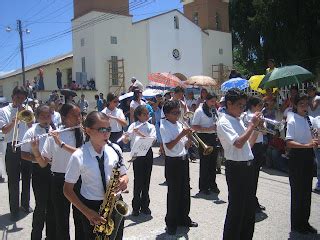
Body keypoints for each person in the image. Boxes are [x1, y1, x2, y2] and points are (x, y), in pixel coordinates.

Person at [63, 111, 129, 240]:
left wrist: (124, 180)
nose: (107, 133)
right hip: (92, 207)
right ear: (88, 130)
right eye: (101, 129)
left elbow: (124, 174)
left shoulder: (115, 149)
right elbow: (67, 190)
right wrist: (87, 212)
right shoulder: (78, 156)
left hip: (115, 204)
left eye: (108, 129)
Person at [31, 103, 84, 240]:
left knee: (80, 219)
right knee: (60, 220)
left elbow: (81, 154)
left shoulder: (83, 134)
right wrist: (36, 150)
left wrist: (60, 143)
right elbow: (43, 163)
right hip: (59, 180)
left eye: (80, 115)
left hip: (79, 179)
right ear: (64, 117)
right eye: (75, 115)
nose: (79, 118)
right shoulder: (54, 135)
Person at [216, 88, 262, 240]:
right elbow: (238, 143)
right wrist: (251, 125)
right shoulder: (224, 122)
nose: (243, 109)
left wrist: (256, 129)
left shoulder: (238, 120)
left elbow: (248, 145)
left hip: (248, 166)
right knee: (236, 210)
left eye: (244, 106)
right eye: (240, 105)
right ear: (229, 103)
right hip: (236, 168)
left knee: (248, 210)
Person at [160, 100, 198, 236]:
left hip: (183, 160)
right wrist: (181, 135)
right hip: (173, 162)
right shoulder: (164, 125)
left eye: (179, 112)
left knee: (185, 191)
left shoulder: (179, 124)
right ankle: (171, 223)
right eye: (175, 113)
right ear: (167, 114)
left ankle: (184, 218)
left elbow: (184, 146)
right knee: (174, 194)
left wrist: (188, 139)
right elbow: (169, 146)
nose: (178, 115)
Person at [21, 104, 56, 240]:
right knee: (41, 206)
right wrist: (39, 158)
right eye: (43, 116)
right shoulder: (31, 132)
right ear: (37, 117)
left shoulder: (53, 128)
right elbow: (23, 154)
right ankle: (36, 236)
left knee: (52, 206)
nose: (46, 119)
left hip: (52, 170)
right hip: (39, 171)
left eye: (48, 116)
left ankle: (51, 236)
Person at [0, 86, 34, 221]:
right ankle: (14, 209)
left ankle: (25, 204)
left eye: (23, 98)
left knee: (26, 178)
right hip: (12, 146)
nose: (20, 101)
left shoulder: (28, 109)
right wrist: (15, 119)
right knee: (13, 180)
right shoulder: (3, 111)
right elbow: (5, 131)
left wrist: (25, 114)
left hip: (25, 146)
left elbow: (32, 126)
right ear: (13, 96)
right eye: (18, 97)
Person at [285, 94, 318, 234]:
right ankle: (296, 224)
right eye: (301, 104)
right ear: (296, 106)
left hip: (308, 156)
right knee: (297, 192)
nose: (305, 107)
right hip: (297, 157)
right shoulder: (292, 120)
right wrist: (307, 145)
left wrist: (317, 139)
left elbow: (314, 138)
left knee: (306, 192)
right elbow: (289, 142)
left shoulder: (310, 119)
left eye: (306, 104)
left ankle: (305, 222)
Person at [123, 105, 156, 216]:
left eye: (148, 114)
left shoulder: (150, 126)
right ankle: (136, 207)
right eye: (144, 114)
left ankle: (145, 206)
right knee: (138, 181)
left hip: (147, 153)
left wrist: (140, 133)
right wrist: (126, 137)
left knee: (146, 180)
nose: (147, 116)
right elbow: (127, 141)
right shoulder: (133, 125)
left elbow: (151, 141)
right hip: (137, 154)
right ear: (138, 115)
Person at [192, 92, 220, 195]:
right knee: (205, 164)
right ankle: (203, 187)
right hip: (204, 137)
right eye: (212, 101)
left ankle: (212, 184)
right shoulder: (199, 111)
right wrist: (208, 129)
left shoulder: (213, 110)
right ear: (206, 100)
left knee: (213, 163)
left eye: (215, 101)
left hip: (213, 137)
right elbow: (194, 126)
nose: (213, 103)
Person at [246, 96, 266, 213]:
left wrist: (262, 124)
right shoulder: (247, 116)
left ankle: (253, 199)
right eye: (259, 106)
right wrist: (257, 124)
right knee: (251, 177)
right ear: (253, 106)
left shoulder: (259, 116)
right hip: (251, 146)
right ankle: (251, 201)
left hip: (259, 146)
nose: (261, 108)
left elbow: (264, 132)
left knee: (255, 176)